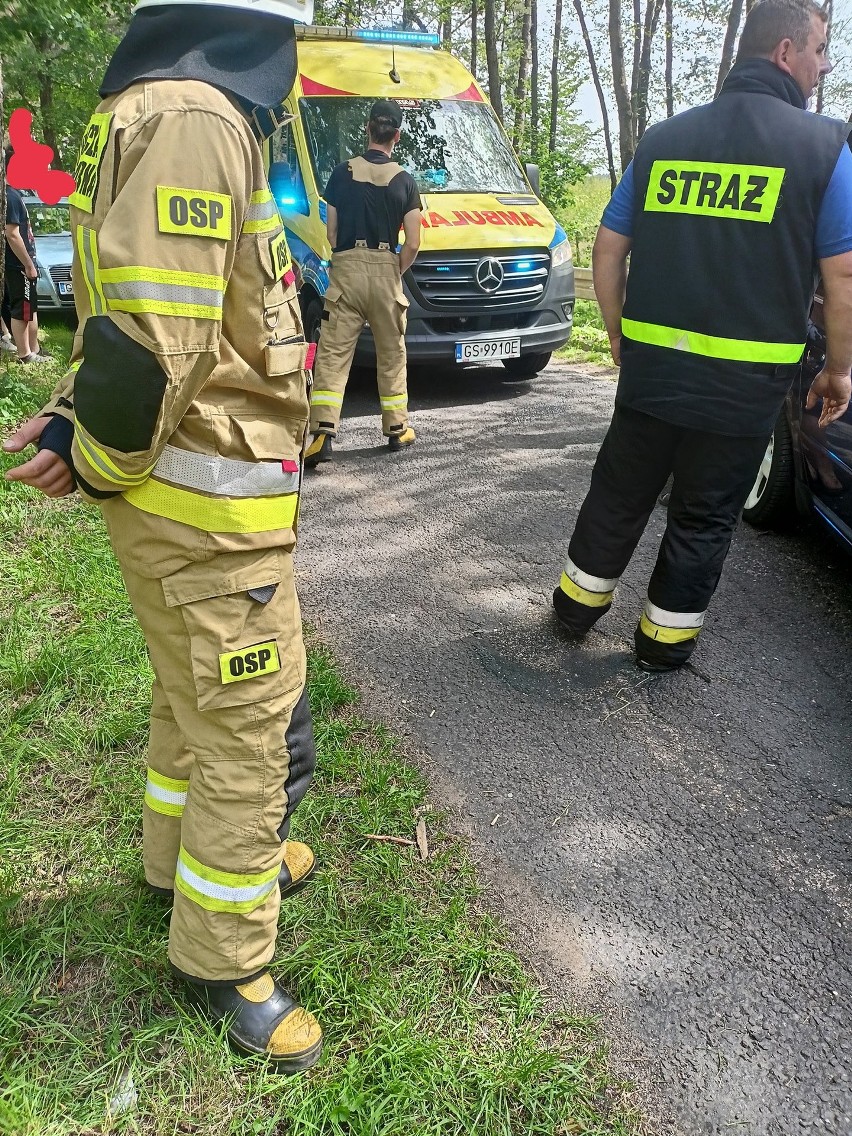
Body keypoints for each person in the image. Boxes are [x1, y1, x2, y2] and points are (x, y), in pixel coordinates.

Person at [3, 0, 324, 1072]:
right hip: (207, 512)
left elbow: (150, 314)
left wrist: (74, 422)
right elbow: (148, 335)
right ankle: (224, 962)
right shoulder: (197, 112)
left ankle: (178, 864)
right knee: (246, 715)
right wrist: (94, 450)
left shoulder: (183, 102)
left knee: (195, 697)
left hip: (194, 502)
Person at [552, 0, 852, 673]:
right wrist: (838, 369)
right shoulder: (824, 149)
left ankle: (574, 611)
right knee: (705, 513)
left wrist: (618, 331)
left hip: (653, 371)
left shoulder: (664, 139)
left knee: (618, 492)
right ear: (785, 54)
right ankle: (662, 645)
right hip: (745, 390)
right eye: (821, 48)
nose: (825, 63)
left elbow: (607, 247)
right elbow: (843, 273)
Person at [305, 98, 422, 466]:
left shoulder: (342, 174)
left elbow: (332, 230)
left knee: (333, 354)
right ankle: (397, 429)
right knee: (392, 353)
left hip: (347, 273)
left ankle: (322, 432)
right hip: (387, 271)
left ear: (368, 128)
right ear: (397, 136)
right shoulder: (405, 181)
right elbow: (415, 242)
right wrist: (394, 270)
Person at [4, 174, 48, 363]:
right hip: (18, 264)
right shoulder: (10, 197)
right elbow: (12, 234)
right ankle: (25, 354)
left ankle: (34, 349)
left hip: (21, 262)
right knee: (22, 309)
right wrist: (28, 264)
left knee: (30, 308)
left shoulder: (13, 194)